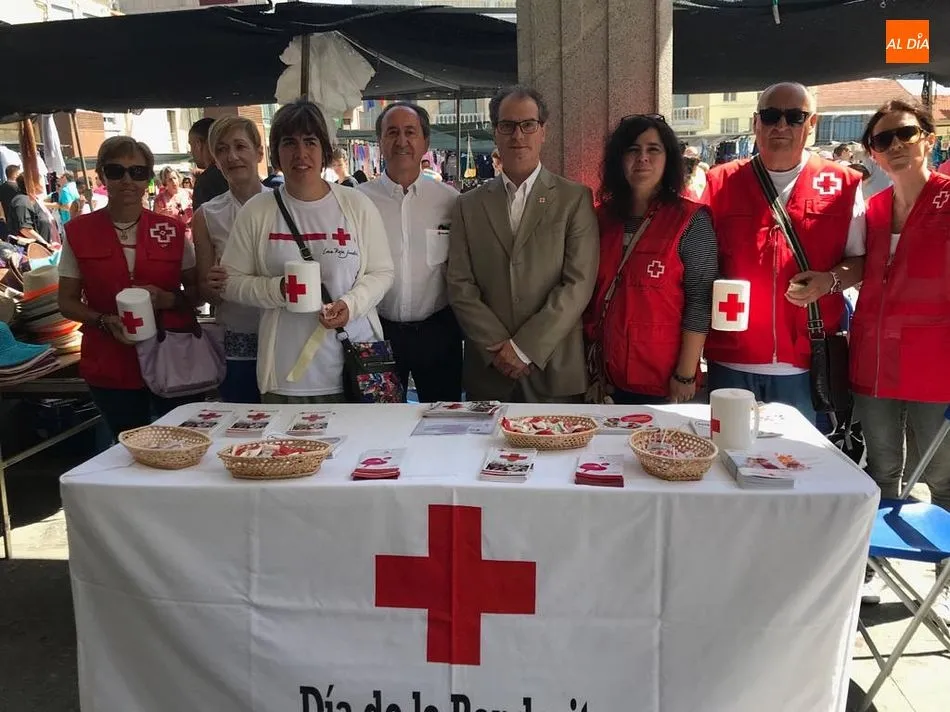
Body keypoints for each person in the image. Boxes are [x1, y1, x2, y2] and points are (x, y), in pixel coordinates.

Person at [701, 82, 866, 423]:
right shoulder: (719, 182)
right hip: (730, 359)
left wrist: (829, 281)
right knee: (726, 459)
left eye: (794, 117)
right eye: (771, 115)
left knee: (798, 467)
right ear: (755, 122)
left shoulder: (843, 183)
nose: (781, 126)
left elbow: (859, 260)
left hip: (804, 363)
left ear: (812, 123)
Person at [849, 101, 950, 621]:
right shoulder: (876, 207)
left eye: (904, 134)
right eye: (882, 140)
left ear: (928, 137)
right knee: (881, 468)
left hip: (937, 364)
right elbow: (863, 271)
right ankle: (874, 568)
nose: (894, 146)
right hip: (875, 360)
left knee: (943, 475)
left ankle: (945, 581)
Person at [221, 100, 393, 403]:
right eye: (289, 143)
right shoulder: (258, 211)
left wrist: (351, 304)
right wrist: (278, 290)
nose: (300, 153)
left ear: (324, 150)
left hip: (358, 365)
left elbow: (382, 272)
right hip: (287, 375)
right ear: (275, 152)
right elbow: (231, 281)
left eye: (310, 142)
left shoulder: (356, 204)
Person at [446, 85, 599, 403]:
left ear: (543, 131)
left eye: (528, 125)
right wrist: (500, 349)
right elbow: (460, 285)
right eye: (508, 126)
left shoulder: (574, 199)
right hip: (490, 372)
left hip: (552, 368)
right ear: (496, 132)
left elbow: (578, 284)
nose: (518, 135)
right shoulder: (468, 205)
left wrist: (523, 348)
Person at [57, 136, 203, 438]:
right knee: (129, 446)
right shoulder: (79, 233)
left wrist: (167, 299)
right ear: (101, 175)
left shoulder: (172, 231)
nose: (127, 180)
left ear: (148, 179)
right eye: (116, 171)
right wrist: (103, 320)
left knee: (182, 443)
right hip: (110, 362)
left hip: (171, 358)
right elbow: (66, 301)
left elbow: (197, 293)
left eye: (137, 172)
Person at [584, 115, 718, 405]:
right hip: (602, 374)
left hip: (662, 378)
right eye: (632, 149)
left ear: (669, 159)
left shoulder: (691, 221)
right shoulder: (598, 219)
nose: (642, 158)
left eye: (653, 149)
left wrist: (685, 374)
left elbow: (699, 300)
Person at [360, 102, 462, 402]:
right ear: (380, 142)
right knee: (379, 424)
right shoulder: (358, 201)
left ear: (425, 143)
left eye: (410, 132)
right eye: (392, 132)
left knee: (443, 424)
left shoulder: (451, 201)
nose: (401, 141)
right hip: (377, 334)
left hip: (438, 332)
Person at [193, 116, 269, 404]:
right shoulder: (206, 216)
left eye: (240, 146)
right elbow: (204, 289)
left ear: (259, 152)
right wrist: (212, 285)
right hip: (238, 338)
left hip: (284, 334)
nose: (232, 156)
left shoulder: (284, 205)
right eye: (222, 149)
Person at [189, 117, 230, 210]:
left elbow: (203, 222)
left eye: (191, 144)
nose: (191, 151)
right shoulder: (233, 173)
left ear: (198, 144)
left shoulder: (205, 183)